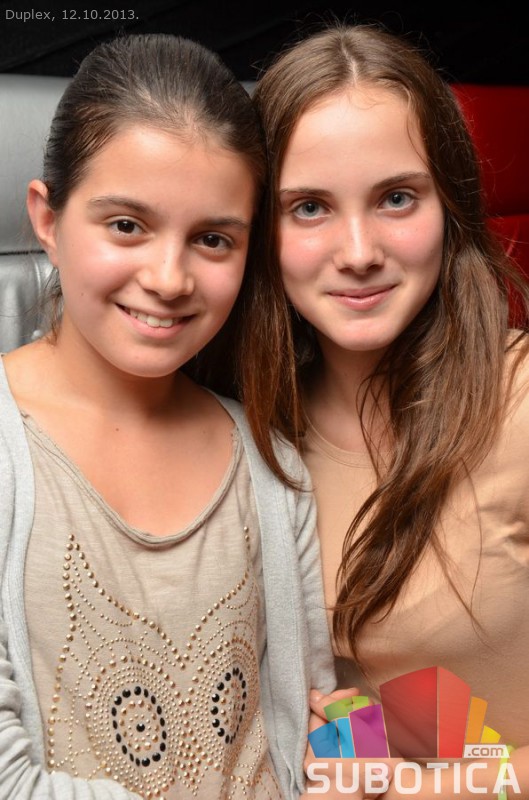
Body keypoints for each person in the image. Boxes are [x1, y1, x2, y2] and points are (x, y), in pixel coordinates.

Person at [0, 33, 335, 799]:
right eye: (126, 225)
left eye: (212, 239)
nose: (168, 277)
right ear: (47, 219)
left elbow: (313, 718)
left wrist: (353, 764)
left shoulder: (271, 468)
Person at [244, 22, 529, 798]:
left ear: (449, 205)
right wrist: (355, 745)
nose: (359, 250)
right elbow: (371, 692)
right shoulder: (247, 429)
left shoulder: (518, 404)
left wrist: (412, 787)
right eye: (309, 207)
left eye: (396, 197)